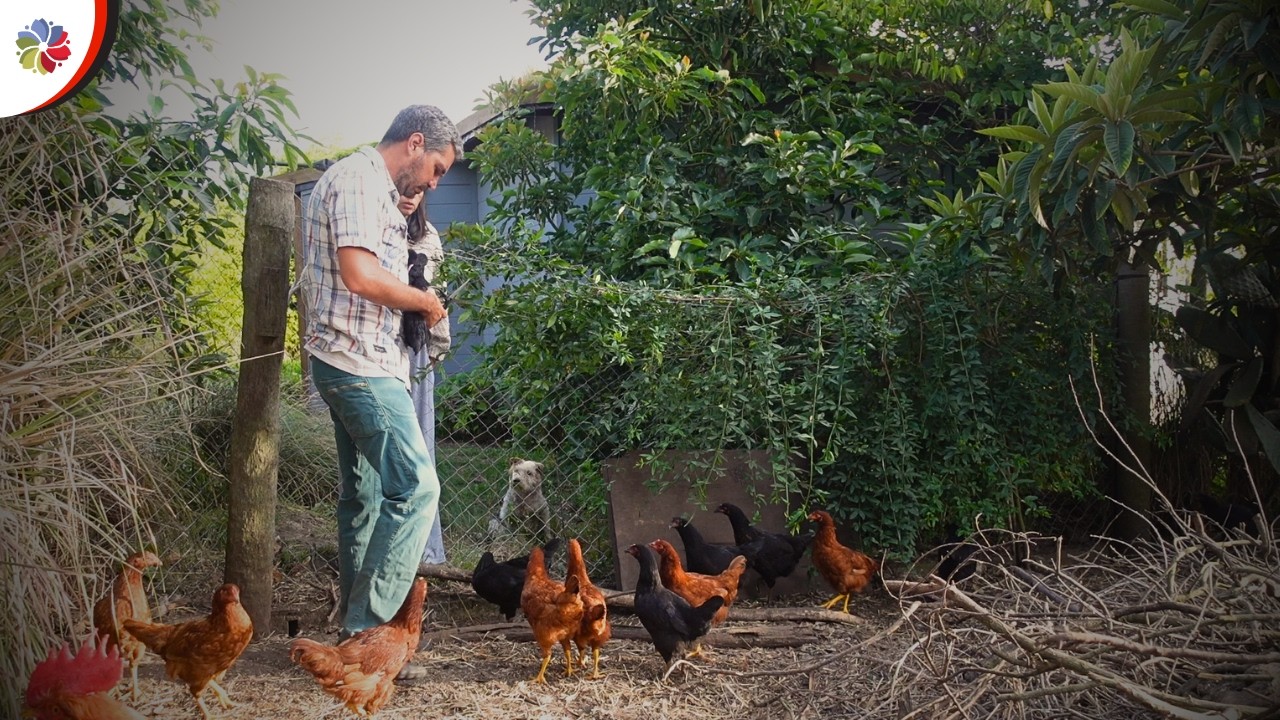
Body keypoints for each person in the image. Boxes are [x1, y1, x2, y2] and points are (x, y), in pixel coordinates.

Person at [300, 105, 462, 681]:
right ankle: (375, 631)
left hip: (358, 361)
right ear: (415, 143)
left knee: (365, 500)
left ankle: (352, 636)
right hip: (358, 365)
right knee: (417, 488)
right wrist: (425, 302)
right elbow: (361, 276)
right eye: (437, 167)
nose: (435, 182)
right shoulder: (358, 182)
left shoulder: (374, 190)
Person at [396, 190, 451, 567]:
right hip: (374, 352)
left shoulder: (427, 235)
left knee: (419, 454)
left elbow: (438, 295)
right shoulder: (372, 226)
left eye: (417, 192)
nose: (409, 197)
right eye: (403, 189)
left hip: (415, 352)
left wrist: (437, 345)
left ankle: (425, 555)